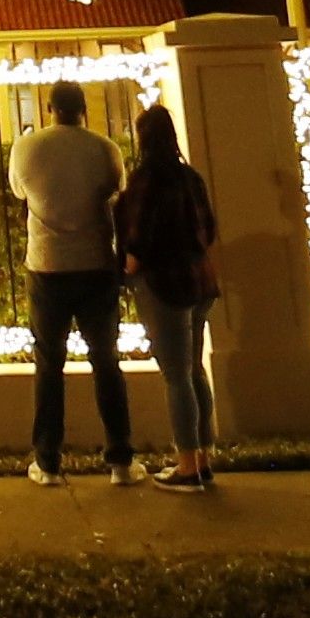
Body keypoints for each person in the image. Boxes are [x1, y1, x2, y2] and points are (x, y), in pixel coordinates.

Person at [7, 78, 139, 486]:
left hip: (46, 266)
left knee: (49, 364)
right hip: (96, 264)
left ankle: (47, 461)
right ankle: (120, 460)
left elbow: (18, 193)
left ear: (50, 109)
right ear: (83, 109)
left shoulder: (27, 148)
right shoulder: (105, 149)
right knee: (106, 361)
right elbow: (117, 193)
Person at [113, 101, 222, 492]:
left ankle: (187, 464)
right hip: (199, 280)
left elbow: (137, 237)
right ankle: (204, 457)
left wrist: (128, 266)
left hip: (164, 284)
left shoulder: (146, 181)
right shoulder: (190, 178)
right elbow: (208, 228)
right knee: (194, 370)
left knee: (175, 375)